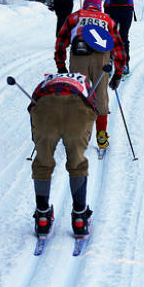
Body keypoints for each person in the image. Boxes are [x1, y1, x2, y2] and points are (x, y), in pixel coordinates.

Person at [28, 71, 98, 237]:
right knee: (77, 162)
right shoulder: (84, 82)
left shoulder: (45, 83)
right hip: (78, 109)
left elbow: (32, 107)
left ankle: (43, 216)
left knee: (43, 162)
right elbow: (94, 107)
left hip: (45, 108)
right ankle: (80, 218)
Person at [54, 0, 126, 150]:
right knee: (100, 95)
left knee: (78, 94)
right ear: (99, 6)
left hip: (79, 54)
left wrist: (61, 65)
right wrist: (118, 73)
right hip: (102, 57)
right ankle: (101, 136)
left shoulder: (75, 17)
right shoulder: (107, 19)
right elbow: (119, 46)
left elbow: (61, 41)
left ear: (85, 5)